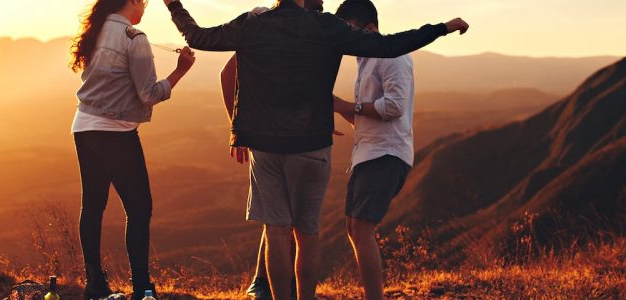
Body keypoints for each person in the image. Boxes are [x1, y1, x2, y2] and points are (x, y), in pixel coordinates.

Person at [165, 0, 468, 298]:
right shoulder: (326, 26)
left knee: (276, 234)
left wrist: (174, 4)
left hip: (265, 145)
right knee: (306, 236)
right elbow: (390, 45)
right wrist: (442, 27)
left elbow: (197, 36)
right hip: (312, 144)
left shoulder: (253, 23)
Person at [70, 0, 195, 299]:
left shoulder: (97, 30)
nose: (145, 7)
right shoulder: (134, 38)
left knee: (93, 205)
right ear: (133, 2)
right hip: (115, 132)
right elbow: (148, 94)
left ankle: (95, 284)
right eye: (144, 2)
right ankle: (142, 286)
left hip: (83, 126)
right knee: (139, 209)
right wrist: (181, 71)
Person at [219, 2, 326, 299]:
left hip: (280, 139)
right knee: (285, 224)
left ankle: (267, 284)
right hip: (273, 139)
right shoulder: (265, 23)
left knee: (280, 222)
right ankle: (265, 284)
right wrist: (238, 128)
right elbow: (227, 75)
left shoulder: (296, 32)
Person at [331, 1, 419, 299]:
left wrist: (345, 105)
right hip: (368, 153)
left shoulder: (392, 56)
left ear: (369, 27)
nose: (345, 38)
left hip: (387, 153)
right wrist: (336, 106)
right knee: (354, 227)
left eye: (349, 30)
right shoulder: (365, 61)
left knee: (361, 225)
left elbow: (393, 106)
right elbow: (364, 118)